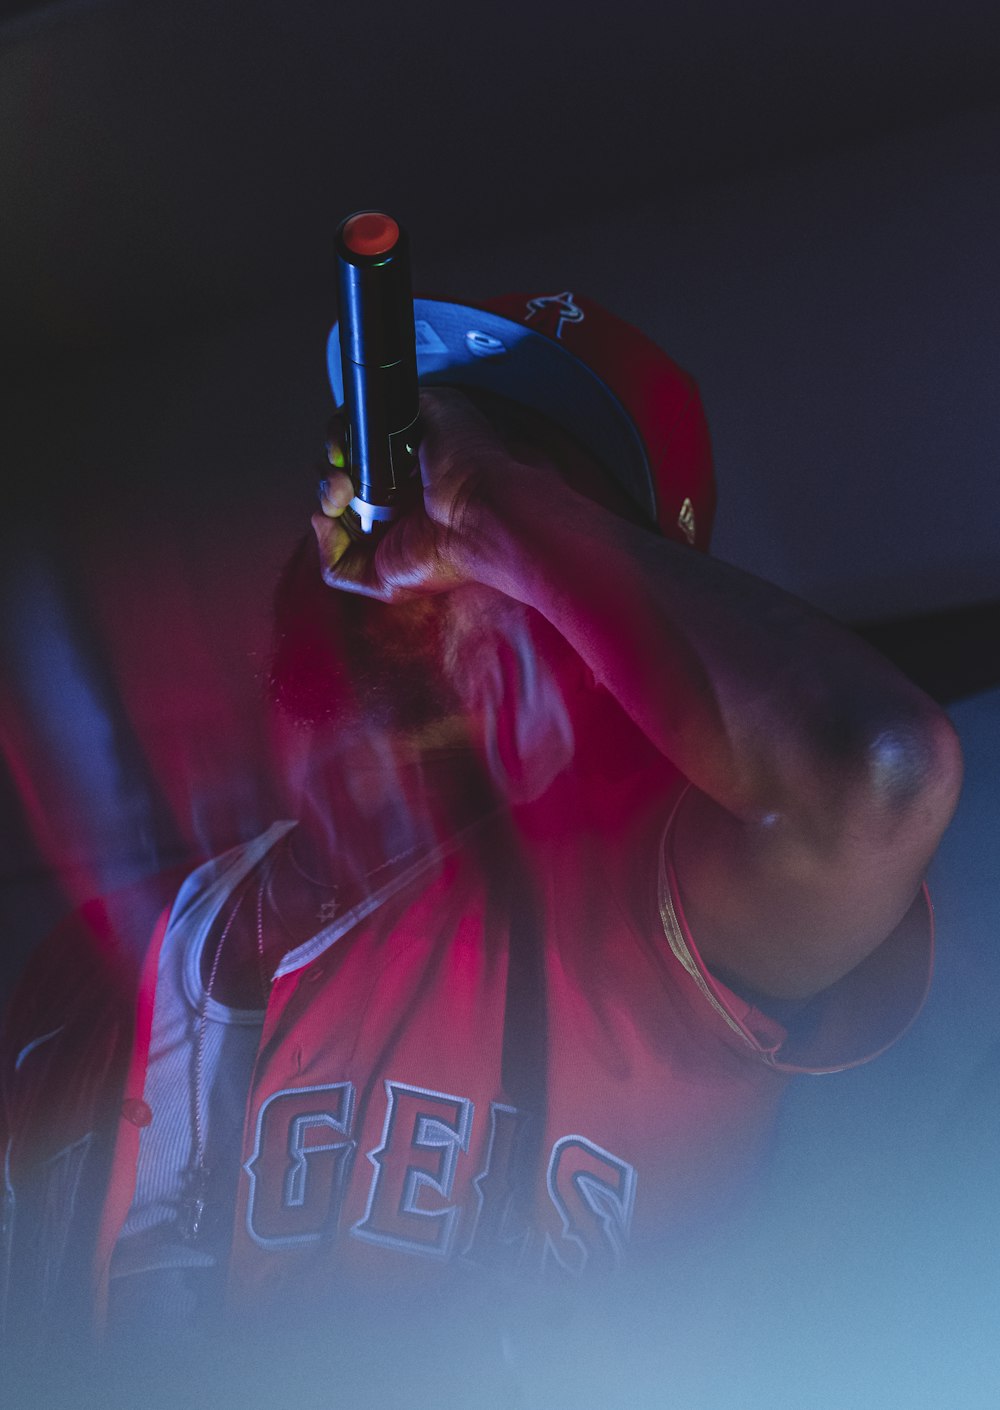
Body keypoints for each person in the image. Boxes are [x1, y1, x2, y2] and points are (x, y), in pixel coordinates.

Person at [0, 290, 962, 1372]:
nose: (413, 536)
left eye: (494, 509)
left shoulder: (636, 914)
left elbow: (876, 773)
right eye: (391, 476)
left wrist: (495, 504)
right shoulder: (84, 975)